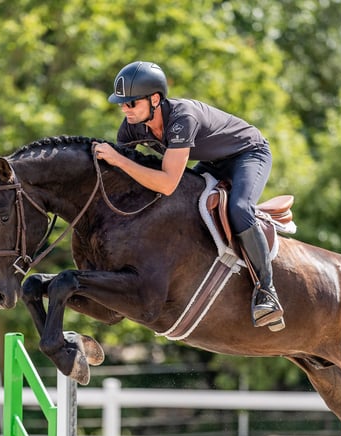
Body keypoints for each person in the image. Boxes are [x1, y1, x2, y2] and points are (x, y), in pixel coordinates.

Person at [93, 61, 284, 330]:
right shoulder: (131, 128)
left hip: (247, 154)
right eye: (122, 104)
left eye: (131, 103)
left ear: (155, 99)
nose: (125, 110)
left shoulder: (183, 118)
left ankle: (267, 289)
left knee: (239, 208)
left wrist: (119, 160)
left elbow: (167, 182)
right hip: (212, 161)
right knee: (182, 205)